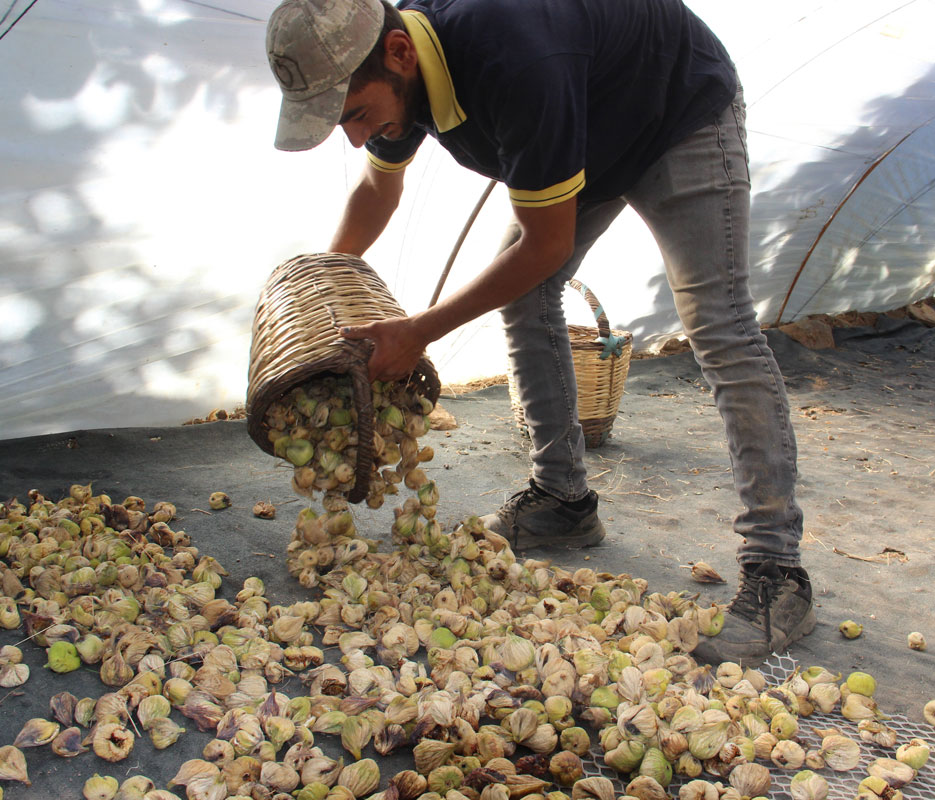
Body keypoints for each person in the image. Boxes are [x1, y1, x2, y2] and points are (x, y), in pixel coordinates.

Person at [265, 0, 815, 663]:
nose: (357, 137)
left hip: (675, 108)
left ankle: (777, 569)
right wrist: (329, 283)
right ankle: (562, 499)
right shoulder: (393, 60)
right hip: (588, 125)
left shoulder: (513, 57)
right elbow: (378, 190)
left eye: (355, 115)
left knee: (718, 324)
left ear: (399, 56)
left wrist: (419, 333)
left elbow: (545, 245)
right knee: (525, 302)